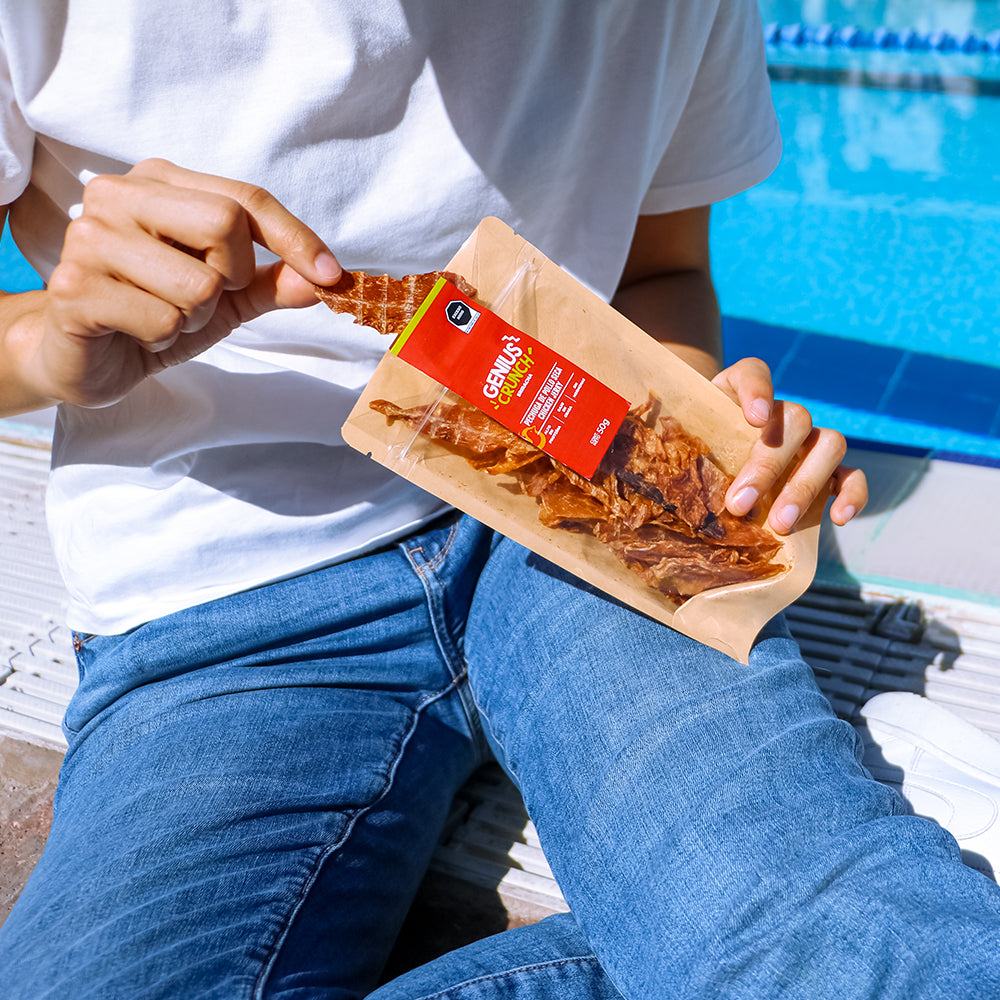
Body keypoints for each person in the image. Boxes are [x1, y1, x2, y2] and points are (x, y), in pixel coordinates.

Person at [0, 3, 996, 998]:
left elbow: (661, 270)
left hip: (587, 513)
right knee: (830, 937)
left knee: (816, 936)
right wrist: (45, 342)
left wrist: (691, 433)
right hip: (226, 587)